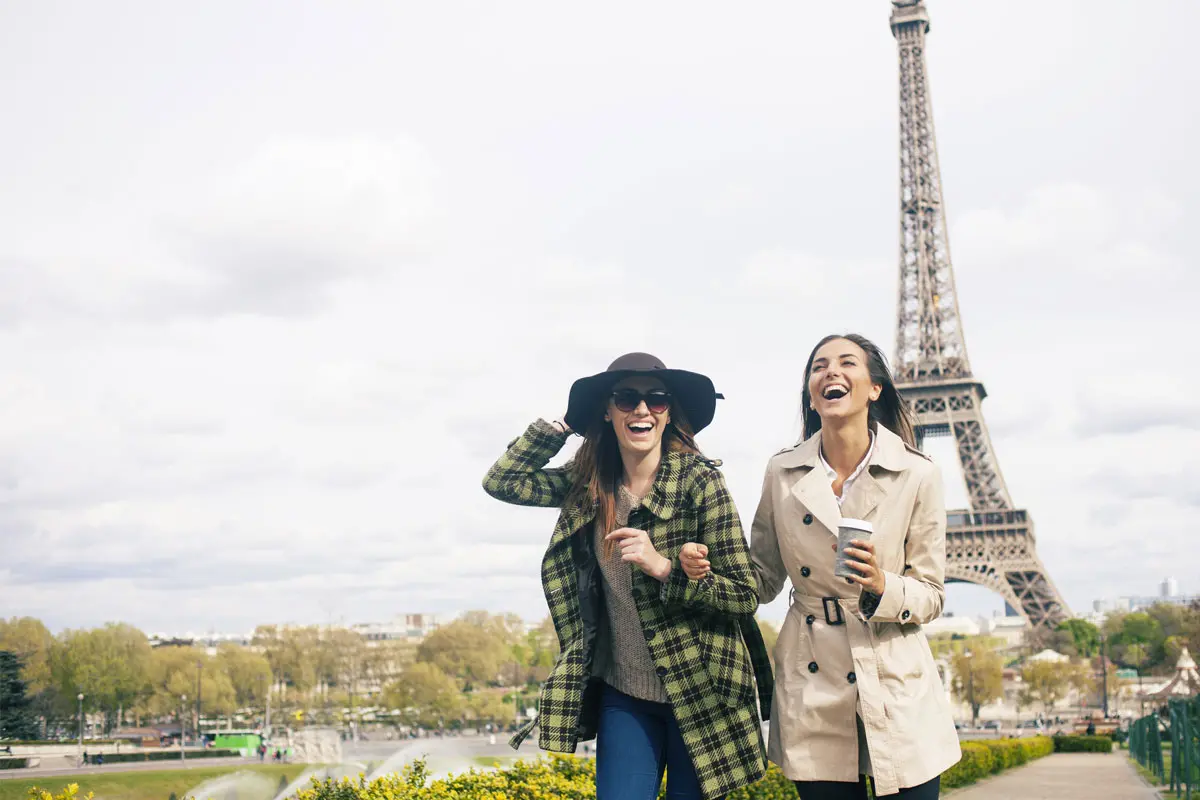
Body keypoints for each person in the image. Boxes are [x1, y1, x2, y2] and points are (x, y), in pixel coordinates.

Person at [483, 352, 773, 800]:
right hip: (626, 694)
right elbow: (503, 481)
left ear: (668, 412)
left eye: (656, 399)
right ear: (607, 410)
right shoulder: (588, 484)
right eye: (625, 398)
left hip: (702, 690)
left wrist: (666, 569)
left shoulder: (700, 483)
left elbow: (744, 594)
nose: (642, 409)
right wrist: (563, 426)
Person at [728, 334, 959, 799]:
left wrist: (881, 585)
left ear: (874, 388)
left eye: (846, 362)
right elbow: (762, 578)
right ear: (812, 396)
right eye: (819, 366)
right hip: (813, 677)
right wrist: (698, 566)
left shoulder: (918, 473)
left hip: (893, 670)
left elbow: (932, 593)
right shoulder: (781, 472)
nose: (830, 372)